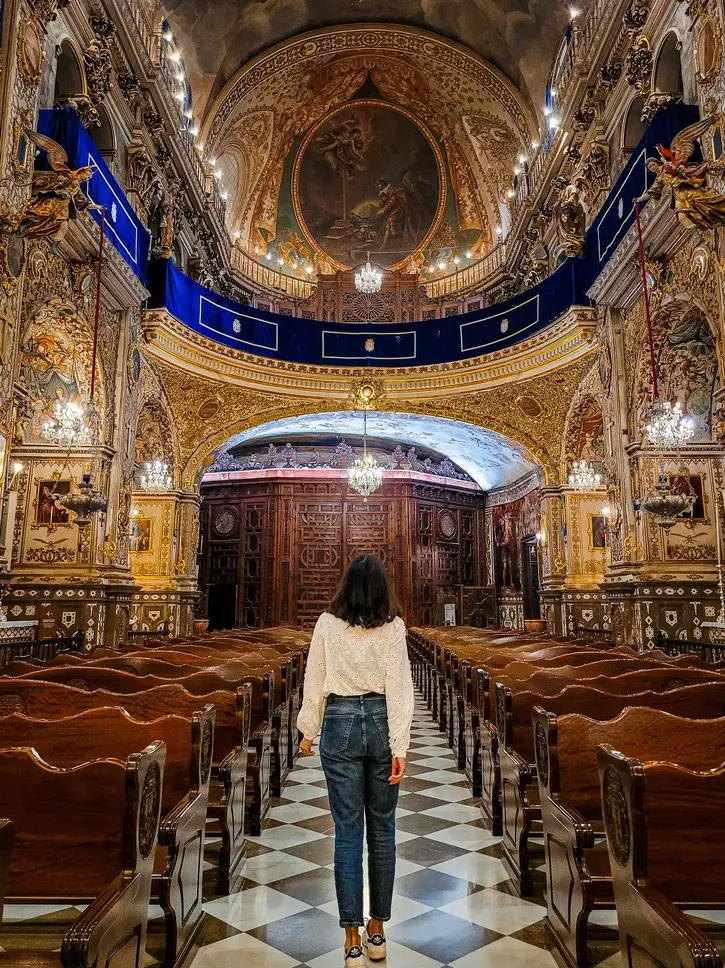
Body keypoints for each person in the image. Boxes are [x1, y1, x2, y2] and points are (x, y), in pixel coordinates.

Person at [297, 555, 414, 967]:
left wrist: (308, 731)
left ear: (345, 586)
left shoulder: (327, 624)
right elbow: (400, 687)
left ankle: (351, 939)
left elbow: (315, 678)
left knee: (348, 832)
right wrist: (400, 745)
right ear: (383, 588)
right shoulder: (394, 627)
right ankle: (377, 932)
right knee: (383, 831)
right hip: (382, 722)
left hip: (340, 722)